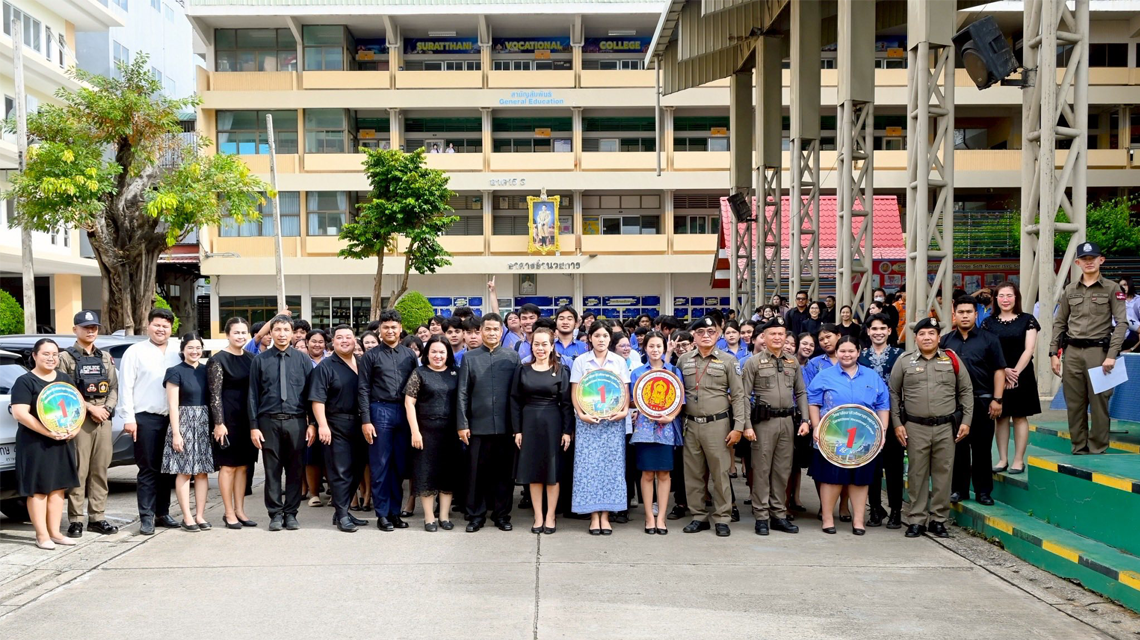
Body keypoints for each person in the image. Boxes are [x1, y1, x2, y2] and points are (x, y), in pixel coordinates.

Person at [890, 318, 973, 538]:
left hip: (946, 427)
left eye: (931, 333)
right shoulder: (904, 361)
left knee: (943, 474)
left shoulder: (951, 359)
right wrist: (897, 424)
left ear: (938, 337)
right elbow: (893, 393)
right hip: (915, 427)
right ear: (915, 337)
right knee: (917, 474)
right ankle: (916, 519)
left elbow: (966, 391)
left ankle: (939, 520)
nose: (927, 337)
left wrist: (966, 421)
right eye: (922, 334)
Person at [806, 336, 890, 535]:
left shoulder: (872, 376)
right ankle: (827, 519)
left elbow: (883, 405)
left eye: (851, 351)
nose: (847, 355)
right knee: (830, 478)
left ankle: (858, 521)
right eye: (842, 351)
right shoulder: (825, 375)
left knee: (859, 479)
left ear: (858, 352)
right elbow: (813, 401)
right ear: (836, 352)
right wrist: (816, 426)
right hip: (832, 436)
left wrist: (883, 432)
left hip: (865, 438)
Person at [1050, 242, 1129, 454]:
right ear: (1077, 262)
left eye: (1093, 258)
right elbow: (1060, 322)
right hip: (1072, 352)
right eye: (1084, 259)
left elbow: (1122, 323)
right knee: (1074, 404)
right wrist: (1053, 353)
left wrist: (1112, 355)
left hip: (1099, 352)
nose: (1089, 262)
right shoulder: (1070, 290)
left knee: (1099, 404)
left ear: (1101, 260)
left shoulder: (1113, 288)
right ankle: (1078, 447)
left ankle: (1098, 448)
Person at [676, 316, 748, 537]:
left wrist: (738, 427)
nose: (705, 336)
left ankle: (722, 517)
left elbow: (738, 395)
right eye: (700, 332)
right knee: (693, 473)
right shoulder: (684, 360)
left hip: (718, 424)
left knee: (720, 473)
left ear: (718, 335)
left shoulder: (728, 361)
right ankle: (698, 516)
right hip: (690, 425)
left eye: (710, 332)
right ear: (694, 336)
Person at [741, 317, 809, 536]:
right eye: (773, 334)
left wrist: (806, 420)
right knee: (761, 470)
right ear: (764, 337)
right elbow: (743, 395)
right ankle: (761, 516)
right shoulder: (754, 362)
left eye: (781, 334)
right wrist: (746, 425)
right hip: (763, 423)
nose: (778, 338)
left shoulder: (792, 362)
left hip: (787, 422)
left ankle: (779, 514)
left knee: (782, 470)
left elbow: (801, 392)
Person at [248, 314, 315, 532]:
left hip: (296, 422)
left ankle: (291, 513)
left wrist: (312, 423)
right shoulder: (260, 360)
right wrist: (254, 426)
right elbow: (252, 395)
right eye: (277, 330)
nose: (282, 334)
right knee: (272, 471)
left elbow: (311, 395)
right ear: (271, 333)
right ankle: (275, 514)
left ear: (293, 332)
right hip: (269, 422)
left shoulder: (303, 360)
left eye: (286, 330)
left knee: (295, 470)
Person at [12, 339, 80, 549]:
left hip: (62, 441)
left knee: (58, 488)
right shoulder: (25, 381)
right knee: (39, 490)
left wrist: (74, 430)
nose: (51, 358)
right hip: (36, 444)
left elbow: (76, 408)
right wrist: (48, 432)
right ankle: (42, 536)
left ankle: (56, 533)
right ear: (34, 356)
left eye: (54, 354)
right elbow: (20, 414)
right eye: (45, 354)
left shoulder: (64, 378)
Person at [119, 307, 182, 535]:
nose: (161, 329)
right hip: (145, 419)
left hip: (173, 419)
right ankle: (146, 517)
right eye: (157, 325)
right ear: (148, 326)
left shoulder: (177, 351)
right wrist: (128, 418)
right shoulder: (135, 352)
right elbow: (125, 386)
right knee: (148, 469)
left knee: (168, 469)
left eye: (166, 326)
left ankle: (162, 512)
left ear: (171, 328)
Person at [58, 310, 119, 538]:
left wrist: (106, 409)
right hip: (79, 421)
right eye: (85, 327)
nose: (90, 331)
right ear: (75, 329)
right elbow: (63, 391)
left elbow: (114, 388)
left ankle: (98, 517)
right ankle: (76, 520)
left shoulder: (104, 358)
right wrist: (90, 408)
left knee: (100, 470)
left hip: (103, 420)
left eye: (94, 327)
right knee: (79, 471)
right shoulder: (65, 358)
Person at [457, 313, 520, 532]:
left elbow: (517, 394)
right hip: (477, 426)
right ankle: (476, 515)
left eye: (496, 329)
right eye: (488, 329)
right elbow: (462, 393)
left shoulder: (512, 357)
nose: (492, 333)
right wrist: (462, 424)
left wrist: (517, 427)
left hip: (506, 426)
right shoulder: (470, 358)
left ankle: (502, 514)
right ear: (481, 331)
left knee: (504, 474)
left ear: (502, 331)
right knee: (475, 474)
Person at [940, 296, 1006, 506]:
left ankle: (983, 492)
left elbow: (999, 370)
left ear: (976, 314)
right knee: (958, 448)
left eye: (969, 312)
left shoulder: (989, 339)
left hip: (983, 400)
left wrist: (997, 399)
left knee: (982, 448)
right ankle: (959, 490)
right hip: (954, 403)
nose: (965, 316)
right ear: (955, 314)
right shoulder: (945, 341)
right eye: (961, 312)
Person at [358, 310, 419, 531]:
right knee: (380, 464)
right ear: (380, 330)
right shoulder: (370, 356)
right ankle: (382, 514)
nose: (390, 330)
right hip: (379, 410)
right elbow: (363, 389)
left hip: (403, 411)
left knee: (398, 465)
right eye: (386, 327)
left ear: (400, 328)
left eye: (394, 327)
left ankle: (395, 512)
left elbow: (416, 388)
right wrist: (366, 419)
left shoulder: (409, 355)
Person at [569, 322, 630, 535]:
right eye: (597, 335)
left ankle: (606, 515)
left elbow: (625, 391)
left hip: (613, 423)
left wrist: (623, 411)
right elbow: (575, 393)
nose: (601, 339)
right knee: (588, 468)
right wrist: (581, 414)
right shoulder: (580, 361)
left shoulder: (620, 361)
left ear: (609, 339)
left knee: (611, 469)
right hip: (588, 424)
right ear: (590, 338)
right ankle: (594, 516)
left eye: (605, 335)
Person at [511, 327, 573, 534]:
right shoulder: (523, 369)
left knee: (552, 473)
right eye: (536, 344)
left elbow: (566, 404)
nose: (540, 348)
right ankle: (538, 516)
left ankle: (550, 515)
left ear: (552, 346)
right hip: (528, 424)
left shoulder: (562, 370)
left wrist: (567, 431)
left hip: (553, 424)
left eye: (544, 344)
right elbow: (515, 401)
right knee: (534, 472)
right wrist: (517, 429)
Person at [310, 325, 369, 533]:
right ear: (332, 342)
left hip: (360, 424)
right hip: (335, 424)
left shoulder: (362, 363)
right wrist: (322, 425)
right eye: (339, 337)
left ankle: (342, 511)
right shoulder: (326, 366)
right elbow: (317, 399)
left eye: (349, 337)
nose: (345, 341)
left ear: (355, 341)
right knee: (340, 470)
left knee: (357, 468)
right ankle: (342, 514)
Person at [982, 282, 1041, 475]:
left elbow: (1029, 349)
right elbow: (987, 349)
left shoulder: (1028, 320)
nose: (1005, 299)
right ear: (995, 299)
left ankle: (1018, 460)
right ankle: (1002, 459)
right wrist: (1003, 370)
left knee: (1019, 417)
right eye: (1001, 296)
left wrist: (1014, 371)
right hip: (997, 373)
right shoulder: (988, 322)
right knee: (1000, 417)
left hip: (1021, 374)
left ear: (1016, 298)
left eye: (1009, 295)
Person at [629, 331, 683, 535]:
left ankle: (661, 517)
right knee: (647, 473)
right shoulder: (637, 373)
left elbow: (680, 401)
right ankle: (649, 517)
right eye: (651, 346)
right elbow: (633, 401)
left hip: (666, 429)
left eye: (659, 346)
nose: (655, 350)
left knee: (664, 473)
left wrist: (671, 416)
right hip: (643, 429)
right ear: (645, 348)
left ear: (664, 348)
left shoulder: (674, 371)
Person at [404, 335, 460, 532]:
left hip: (450, 432)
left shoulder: (456, 372)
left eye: (442, 352)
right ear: (427, 354)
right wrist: (415, 432)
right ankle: (429, 517)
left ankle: (443, 515)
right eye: (434, 352)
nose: (438, 356)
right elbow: (409, 403)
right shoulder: (419, 373)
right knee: (425, 473)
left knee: (447, 474)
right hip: (425, 431)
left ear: (448, 354)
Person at [208, 317, 258, 529]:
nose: (240, 336)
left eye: (243, 332)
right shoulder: (218, 359)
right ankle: (228, 513)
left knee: (243, 467)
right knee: (228, 467)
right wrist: (219, 423)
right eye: (236, 332)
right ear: (227, 334)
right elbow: (214, 395)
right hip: (227, 420)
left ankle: (240, 510)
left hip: (247, 419)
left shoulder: (251, 358)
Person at [162, 334, 215, 532]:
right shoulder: (174, 372)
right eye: (190, 347)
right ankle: (187, 517)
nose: (195, 351)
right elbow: (173, 405)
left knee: (202, 472)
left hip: (203, 423)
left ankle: (200, 515)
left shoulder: (206, 370)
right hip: (183, 423)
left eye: (198, 347)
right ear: (183, 349)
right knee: (184, 471)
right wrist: (176, 433)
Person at [857, 314, 904, 528]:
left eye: (882, 328)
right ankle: (875, 508)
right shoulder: (861, 356)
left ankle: (896, 511)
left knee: (894, 467)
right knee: (870, 467)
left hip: (893, 417)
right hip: (866, 420)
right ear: (868, 331)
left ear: (890, 331)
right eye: (874, 328)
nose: (878, 332)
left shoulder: (900, 355)